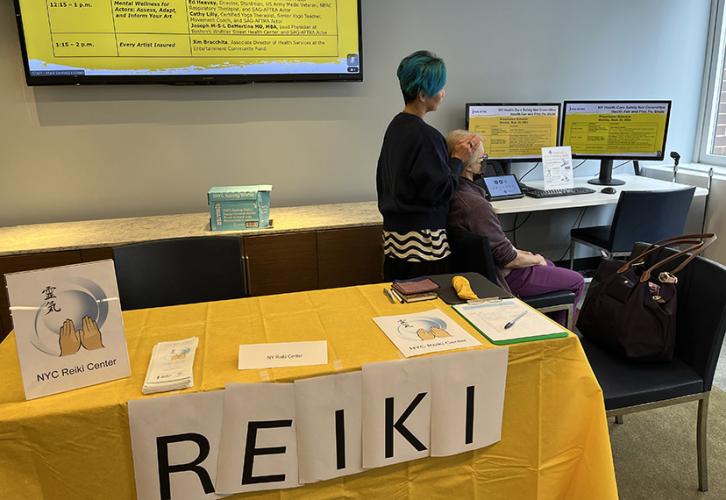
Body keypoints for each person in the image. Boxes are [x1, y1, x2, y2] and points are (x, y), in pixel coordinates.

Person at [446, 129, 584, 325]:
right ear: (469, 165)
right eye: (482, 157)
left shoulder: (452, 193)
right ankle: (559, 337)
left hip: (481, 271)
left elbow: (494, 244)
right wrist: (535, 258)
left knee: (549, 265)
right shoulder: (475, 205)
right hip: (502, 276)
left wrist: (527, 256)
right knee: (576, 280)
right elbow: (506, 258)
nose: (485, 161)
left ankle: (545, 328)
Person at [376, 51, 480, 281]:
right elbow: (439, 191)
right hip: (423, 243)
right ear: (422, 94)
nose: (443, 93)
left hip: (395, 240)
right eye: (440, 87)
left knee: (401, 303)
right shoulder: (426, 136)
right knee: (426, 304)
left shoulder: (395, 127)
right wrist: (457, 159)